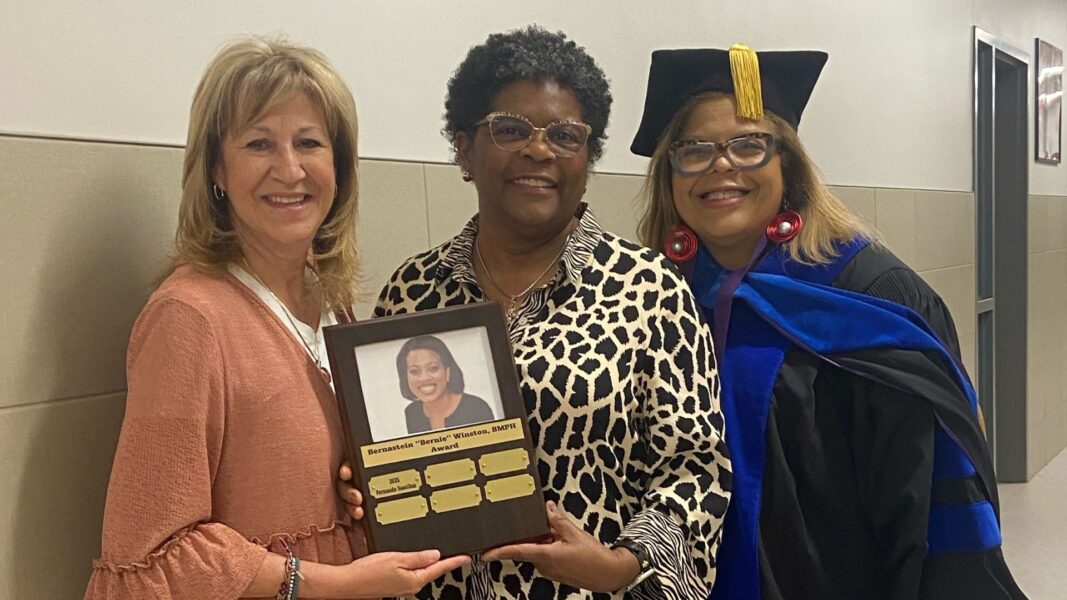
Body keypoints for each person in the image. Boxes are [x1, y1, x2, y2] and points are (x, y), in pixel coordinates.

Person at [342, 25, 730, 599]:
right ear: (464, 149)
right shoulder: (414, 289)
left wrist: (623, 564)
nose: (539, 150)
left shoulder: (650, 289)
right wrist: (366, 487)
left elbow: (695, 468)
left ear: (587, 157)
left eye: (566, 136)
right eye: (510, 129)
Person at [631, 45, 1026, 599]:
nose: (721, 166)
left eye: (749, 145)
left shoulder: (872, 292)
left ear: (786, 164)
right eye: (693, 150)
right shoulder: (651, 297)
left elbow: (935, 490)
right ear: (669, 175)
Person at [84, 37, 467, 599]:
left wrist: (360, 490)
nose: (289, 169)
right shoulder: (189, 318)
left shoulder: (330, 302)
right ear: (217, 168)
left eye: (308, 143)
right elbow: (151, 553)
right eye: (259, 143)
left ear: (338, 166)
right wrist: (330, 582)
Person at [396, 335, 495, 434]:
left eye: (433, 368)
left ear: (447, 372)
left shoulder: (476, 408)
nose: (424, 378)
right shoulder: (412, 413)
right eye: (414, 371)